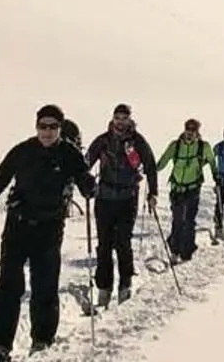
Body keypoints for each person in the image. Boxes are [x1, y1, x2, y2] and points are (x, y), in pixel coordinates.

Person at [0, 104, 96, 362]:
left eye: (53, 127)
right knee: (8, 285)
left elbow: (84, 178)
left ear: (61, 129)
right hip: (17, 226)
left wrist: (88, 184)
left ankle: (41, 341)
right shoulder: (23, 151)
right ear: (36, 127)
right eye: (43, 126)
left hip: (50, 229)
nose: (47, 132)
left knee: (44, 287)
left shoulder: (69, 153)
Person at [82, 103, 158, 306]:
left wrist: (153, 192)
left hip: (127, 198)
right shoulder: (103, 141)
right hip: (104, 198)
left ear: (130, 120)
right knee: (104, 245)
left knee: (123, 242)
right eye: (117, 117)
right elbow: (85, 164)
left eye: (124, 118)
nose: (120, 121)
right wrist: (84, 183)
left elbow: (150, 166)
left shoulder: (137, 141)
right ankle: (104, 289)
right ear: (112, 118)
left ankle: (125, 285)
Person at [156, 119, 215, 262]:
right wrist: (151, 170)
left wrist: (217, 175)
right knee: (178, 221)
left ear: (197, 132)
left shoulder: (203, 147)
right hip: (177, 189)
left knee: (189, 221)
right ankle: (175, 251)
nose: (189, 134)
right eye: (188, 130)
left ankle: (187, 252)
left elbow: (212, 161)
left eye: (192, 131)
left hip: (193, 189)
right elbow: (163, 161)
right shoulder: (175, 146)